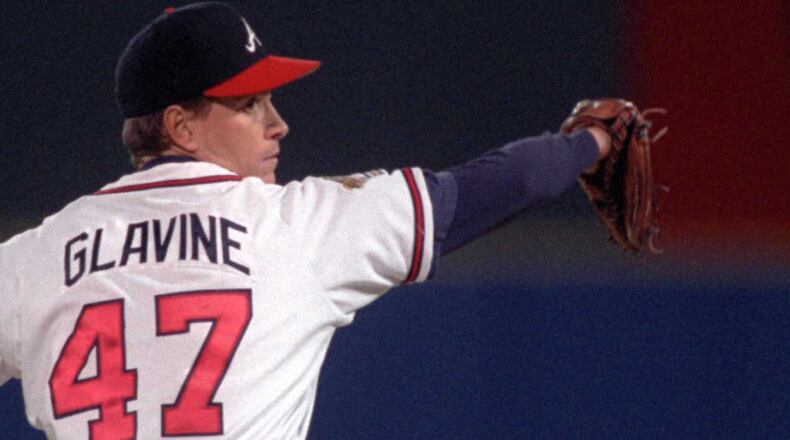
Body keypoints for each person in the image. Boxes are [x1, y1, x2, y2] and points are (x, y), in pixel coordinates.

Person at [0, 2, 612, 439]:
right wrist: (593, 141)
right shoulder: (294, 226)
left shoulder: (35, 257)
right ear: (181, 126)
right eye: (249, 105)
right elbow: (502, 186)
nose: (278, 124)